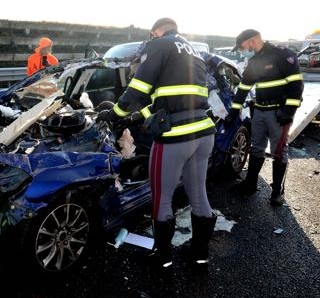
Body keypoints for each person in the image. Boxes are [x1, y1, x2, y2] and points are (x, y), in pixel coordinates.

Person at [98, 18, 217, 269]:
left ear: (155, 32)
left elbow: (138, 88)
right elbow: (169, 99)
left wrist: (115, 114)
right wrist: (136, 117)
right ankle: (200, 254)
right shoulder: (193, 50)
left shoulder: (159, 45)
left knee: (162, 199)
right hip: (204, 133)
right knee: (199, 195)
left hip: (175, 137)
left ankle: (162, 258)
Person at [226, 29, 304, 206]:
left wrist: (289, 112)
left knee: (279, 152)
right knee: (256, 148)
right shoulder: (253, 62)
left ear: (252, 41)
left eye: (242, 46)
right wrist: (233, 111)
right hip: (260, 111)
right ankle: (250, 184)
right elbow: (243, 89)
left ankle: (277, 192)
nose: (241, 51)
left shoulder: (282, 55)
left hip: (279, 113)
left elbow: (297, 86)